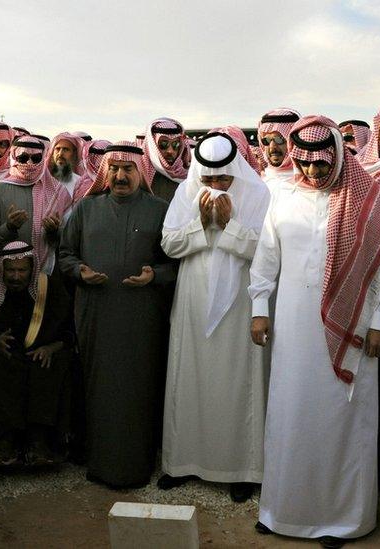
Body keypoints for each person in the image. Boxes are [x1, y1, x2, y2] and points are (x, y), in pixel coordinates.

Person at [249, 116, 380, 547]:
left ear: (338, 156)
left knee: (342, 419)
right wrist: (259, 308)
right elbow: (266, 259)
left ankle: (342, 520)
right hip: (295, 329)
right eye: (307, 165)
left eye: (322, 165)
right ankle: (281, 512)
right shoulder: (284, 199)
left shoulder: (368, 201)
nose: (314, 173)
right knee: (290, 414)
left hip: (354, 326)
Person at [59, 141, 177, 488]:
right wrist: (80, 271)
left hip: (142, 318)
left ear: (141, 172)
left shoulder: (161, 210)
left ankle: (137, 465)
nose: (120, 176)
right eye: (114, 169)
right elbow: (64, 253)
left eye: (128, 169)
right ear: (104, 172)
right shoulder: (85, 209)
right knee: (98, 388)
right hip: (97, 314)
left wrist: (154, 276)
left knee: (140, 389)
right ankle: (99, 464)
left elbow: (175, 263)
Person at [159, 132, 270, 502]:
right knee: (188, 377)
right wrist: (201, 224)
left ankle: (240, 469)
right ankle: (181, 463)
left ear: (236, 172)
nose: (215, 186)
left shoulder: (258, 195)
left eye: (223, 179)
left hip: (240, 301)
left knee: (237, 382)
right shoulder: (185, 193)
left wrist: (230, 226)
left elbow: (267, 253)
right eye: (208, 180)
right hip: (193, 298)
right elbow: (169, 243)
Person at [0, 242, 75, 466]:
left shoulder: (48, 288)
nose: (15, 277)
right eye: (10, 271)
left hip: (38, 355)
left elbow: (70, 328)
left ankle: (39, 443)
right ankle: (4, 442)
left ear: (32, 270)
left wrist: (52, 347)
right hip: (1, 358)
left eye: (22, 270)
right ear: (0, 270)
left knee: (52, 363)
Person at [0, 134, 72, 273]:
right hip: (7, 274)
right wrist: (9, 228)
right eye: (23, 158)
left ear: (43, 159)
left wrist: (54, 232)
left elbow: (70, 239)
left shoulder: (58, 192)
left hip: (47, 273)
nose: (29, 163)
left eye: (35, 159)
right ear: (13, 158)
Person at [142, 117, 190, 202]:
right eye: (163, 144)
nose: (170, 151)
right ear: (153, 146)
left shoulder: (187, 175)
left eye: (175, 145)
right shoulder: (142, 175)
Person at [257, 108, 301, 193]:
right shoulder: (259, 183)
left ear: (292, 142)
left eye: (279, 140)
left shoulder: (306, 187)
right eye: (266, 141)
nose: (272, 147)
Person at [48, 132, 85, 198]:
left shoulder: (80, 183)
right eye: (57, 149)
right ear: (52, 153)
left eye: (66, 149)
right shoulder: (43, 180)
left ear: (74, 155)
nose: (60, 154)